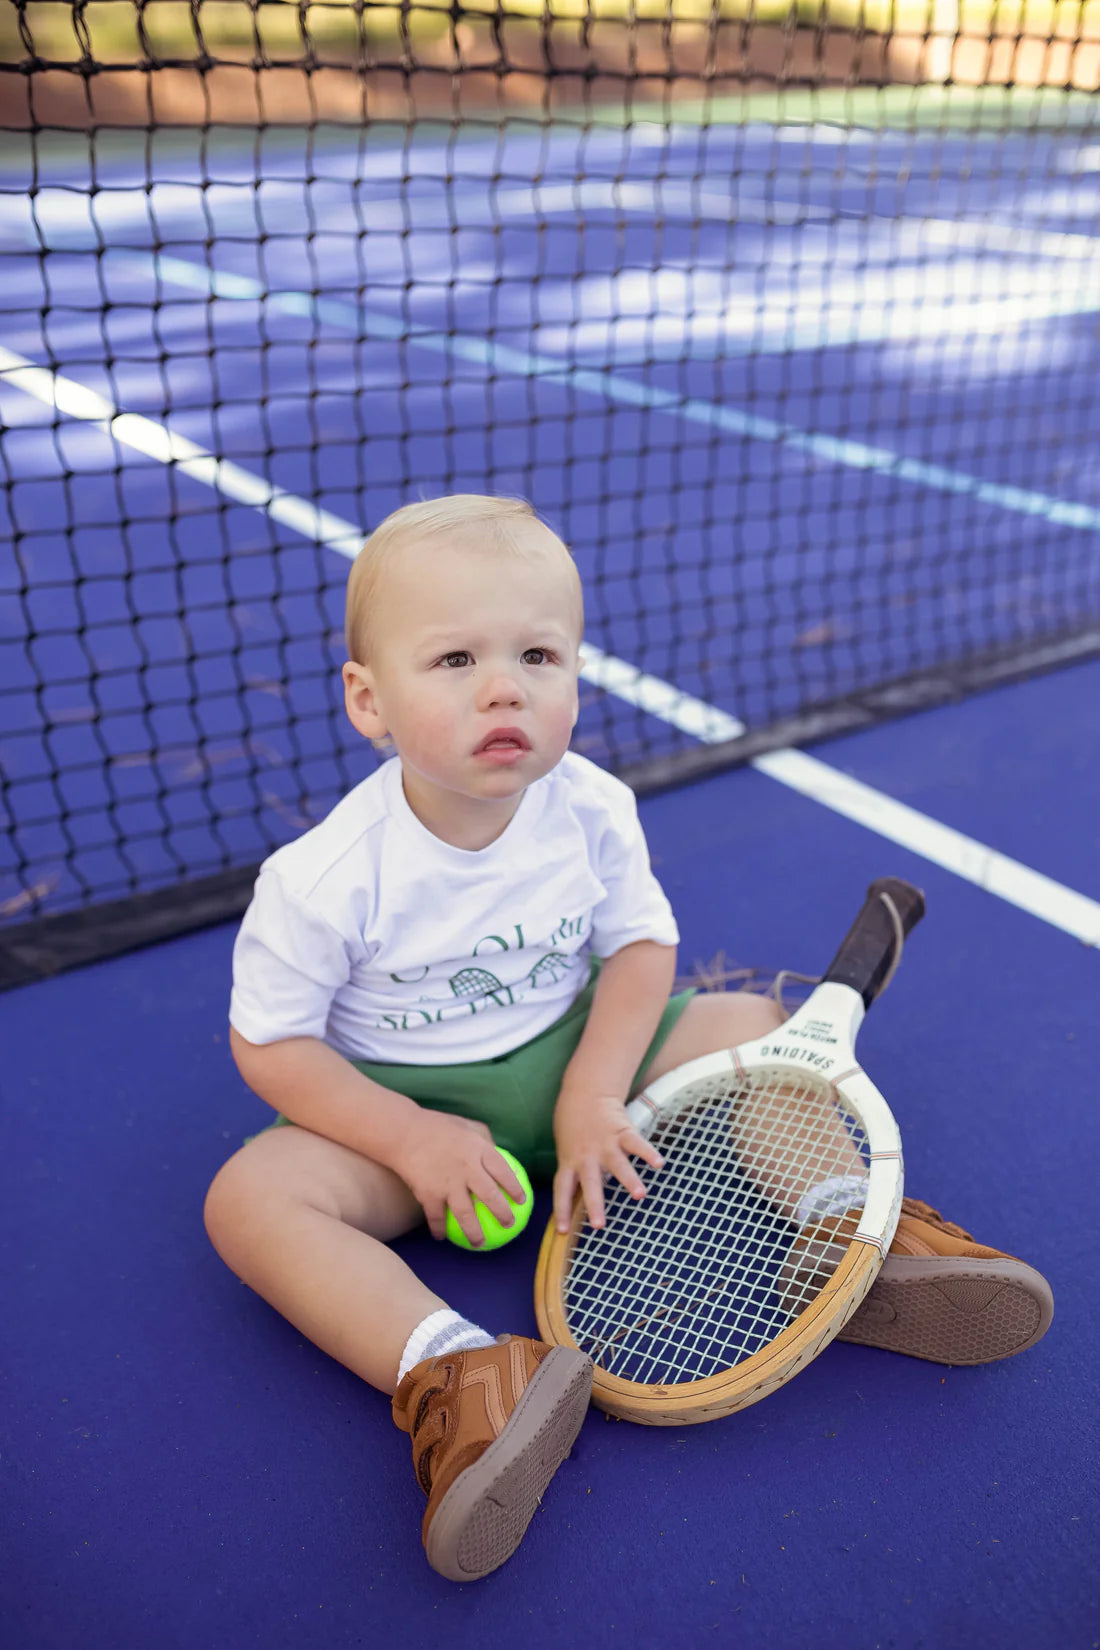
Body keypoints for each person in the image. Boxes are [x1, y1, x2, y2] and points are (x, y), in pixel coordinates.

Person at [203, 494, 1053, 1584]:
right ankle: (461, 1371)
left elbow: (641, 955)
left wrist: (590, 1093)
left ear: (575, 675)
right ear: (367, 702)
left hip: (578, 1057)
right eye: (455, 658)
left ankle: (845, 1238)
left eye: (538, 655)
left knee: (752, 1024)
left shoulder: (589, 805)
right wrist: (412, 1139)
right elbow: (270, 1050)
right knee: (251, 1199)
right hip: (411, 1108)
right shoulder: (321, 879)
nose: (504, 685)